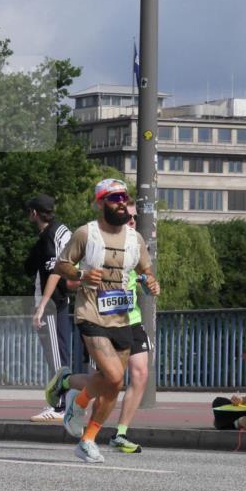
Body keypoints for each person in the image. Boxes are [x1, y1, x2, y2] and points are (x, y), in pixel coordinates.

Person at [49, 178, 159, 463]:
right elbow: (61, 265)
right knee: (113, 375)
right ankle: (78, 401)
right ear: (101, 203)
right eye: (114, 198)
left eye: (124, 196)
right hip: (91, 314)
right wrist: (81, 275)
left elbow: (146, 272)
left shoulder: (135, 240)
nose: (121, 201)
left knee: (113, 385)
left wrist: (151, 284)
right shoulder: (86, 234)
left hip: (121, 318)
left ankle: (87, 438)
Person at [24, 194, 72, 422]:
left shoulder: (48, 239)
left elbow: (54, 272)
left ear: (34, 213)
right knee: (59, 353)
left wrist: (41, 306)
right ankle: (64, 404)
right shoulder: (61, 230)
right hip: (61, 302)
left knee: (55, 356)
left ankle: (60, 406)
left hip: (53, 304)